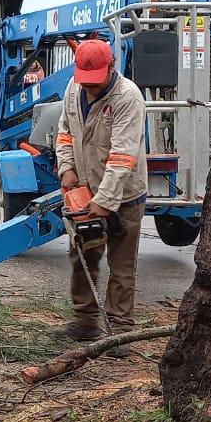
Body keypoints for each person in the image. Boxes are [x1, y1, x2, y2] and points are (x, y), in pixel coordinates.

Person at [54, 40, 148, 348]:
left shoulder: (128, 98)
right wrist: (67, 168)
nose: (90, 89)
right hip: (86, 188)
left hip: (125, 194)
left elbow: (123, 156)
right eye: (86, 82)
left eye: (96, 82)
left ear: (112, 67)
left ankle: (120, 330)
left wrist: (105, 201)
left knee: (121, 264)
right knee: (82, 256)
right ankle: (85, 321)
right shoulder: (74, 87)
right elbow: (65, 131)